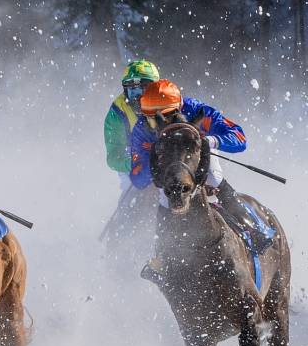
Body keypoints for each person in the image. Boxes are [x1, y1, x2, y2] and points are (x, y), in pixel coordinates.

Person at [129, 79, 271, 251]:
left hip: (197, 157)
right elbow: (137, 177)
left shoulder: (196, 110)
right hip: (168, 166)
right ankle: (161, 255)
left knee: (214, 178)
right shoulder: (141, 129)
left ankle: (257, 229)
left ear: (179, 108)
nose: (160, 122)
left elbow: (239, 138)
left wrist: (212, 140)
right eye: (152, 119)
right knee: (164, 196)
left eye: (166, 116)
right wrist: (154, 158)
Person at [104, 59, 160, 188]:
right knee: (131, 195)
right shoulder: (117, 113)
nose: (138, 96)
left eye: (144, 88)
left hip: (173, 156)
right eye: (132, 90)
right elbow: (114, 156)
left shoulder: (170, 100)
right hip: (135, 163)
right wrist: (137, 160)